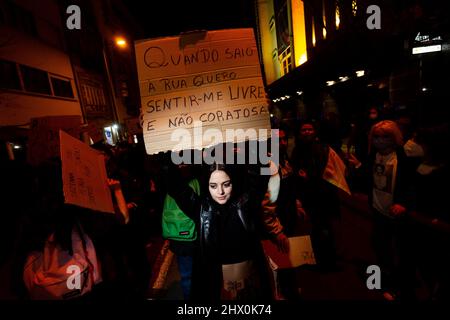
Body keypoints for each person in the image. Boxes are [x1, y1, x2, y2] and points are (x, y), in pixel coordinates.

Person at [163, 152, 272, 301]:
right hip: (215, 288)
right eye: (213, 186)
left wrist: (254, 148)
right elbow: (174, 185)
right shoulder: (200, 208)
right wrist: (169, 153)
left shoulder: (246, 204)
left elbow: (260, 178)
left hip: (248, 285)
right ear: (206, 185)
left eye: (226, 184)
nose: (220, 192)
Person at [291, 120, 350, 272]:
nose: (307, 132)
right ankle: (320, 257)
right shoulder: (297, 151)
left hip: (324, 196)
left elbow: (329, 172)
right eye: (304, 129)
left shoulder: (324, 149)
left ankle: (328, 260)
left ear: (315, 131)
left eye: (310, 129)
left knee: (325, 228)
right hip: (308, 196)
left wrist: (309, 176)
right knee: (316, 228)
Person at [261, 128, 308, 300]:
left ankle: (288, 288)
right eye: (277, 140)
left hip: (288, 219)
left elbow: (289, 189)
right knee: (276, 262)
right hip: (277, 224)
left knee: (287, 259)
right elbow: (267, 203)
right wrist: (276, 230)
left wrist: (297, 204)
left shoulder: (284, 161)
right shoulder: (269, 165)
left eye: (284, 139)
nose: (282, 143)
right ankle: (278, 292)